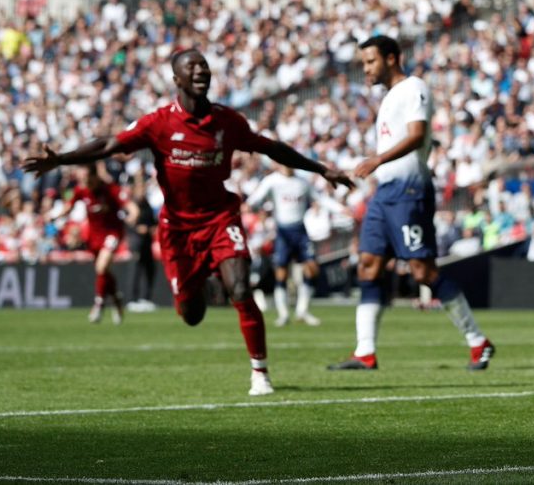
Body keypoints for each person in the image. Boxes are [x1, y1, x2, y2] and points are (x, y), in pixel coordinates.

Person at [23, 48, 354, 396]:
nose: (200, 71)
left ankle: (260, 373)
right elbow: (109, 143)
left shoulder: (228, 121)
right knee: (192, 314)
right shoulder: (159, 122)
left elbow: (271, 147)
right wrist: (61, 159)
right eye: (191, 67)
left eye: (204, 66)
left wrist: (321, 169)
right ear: (176, 79)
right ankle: (199, 283)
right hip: (178, 230)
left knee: (240, 289)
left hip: (220, 218)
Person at [328, 36, 494, 371]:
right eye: (363, 63)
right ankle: (365, 352)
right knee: (369, 266)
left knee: (423, 271)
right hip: (384, 193)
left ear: (392, 58)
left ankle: (478, 342)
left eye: (371, 61)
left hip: (409, 192)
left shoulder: (413, 87)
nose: (366, 69)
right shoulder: (389, 97)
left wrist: (376, 159)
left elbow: (418, 134)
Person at [245, 163, 326, 327]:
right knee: (281, 273)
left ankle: (302, 310)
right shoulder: (272, 181)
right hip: (283, 231)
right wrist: (249, 205)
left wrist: (342, 209)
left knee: (312, 269)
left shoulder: (303, 181)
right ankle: (283, 314)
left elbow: (321, 198)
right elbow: (257, 197)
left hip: (301, 230)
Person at [58, 163, 126, 324]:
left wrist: (133, 212)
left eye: (87, 179)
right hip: (93, 237)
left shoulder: (109, 189)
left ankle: (98, 304)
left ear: (95, 177)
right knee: (104, 271)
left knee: (101, 267)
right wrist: (54, 216)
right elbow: (69, 206)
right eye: (82, 179)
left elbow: (125, 202)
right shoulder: (81, 190)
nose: (85, 182)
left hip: (112, 233)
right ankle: (116, 299)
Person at [124, 173, 158, 312]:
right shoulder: (132, 204)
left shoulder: (147, 204)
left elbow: (153, 221)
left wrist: (151, 228)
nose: (143, 190)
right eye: (140, 188)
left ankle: (145, 298)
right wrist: (139, 229)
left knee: (150, 269)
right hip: (136, 242)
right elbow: (128, 223)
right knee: (136, 270)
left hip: (147, 242)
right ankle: (132, 299)